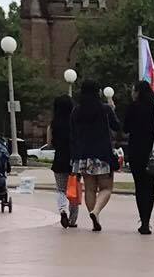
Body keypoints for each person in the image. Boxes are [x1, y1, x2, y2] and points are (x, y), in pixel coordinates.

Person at [68, 80, 118, 230]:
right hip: (102, 154)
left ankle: (94, 218)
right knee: (106, 188)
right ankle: (96, 212)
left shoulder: (76, 111)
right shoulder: (105, 109)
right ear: (98, 92)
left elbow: (72, 133)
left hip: (84, 155)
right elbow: (117, 126)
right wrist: (112, 109)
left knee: (90, 189)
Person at [123, 79, 154, 235]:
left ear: (138, 92)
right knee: (150, 188)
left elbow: (125, 128)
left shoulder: (133, 108)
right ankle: (147, 220)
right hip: (152, 153)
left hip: (136, 152)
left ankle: (143, 220)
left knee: (139, 186)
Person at [50, 94, 75, 226]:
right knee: (74, 189)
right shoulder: (75, 123)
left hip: (59, 159)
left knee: (61, 189)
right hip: (74, 160)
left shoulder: (54, 124)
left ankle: (62, 210)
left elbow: (50, 143)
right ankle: (73, 219)